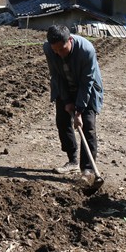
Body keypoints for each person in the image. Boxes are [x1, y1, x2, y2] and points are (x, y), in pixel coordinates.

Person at [43, 25, 104, 180]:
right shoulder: (49, 49)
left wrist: (79, 111)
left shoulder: (86, 50)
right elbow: (56, 75)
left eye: (62, 49)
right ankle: (72, 161)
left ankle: (88, 169)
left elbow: (87, 82)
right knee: (62, 122)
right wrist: (67, 100)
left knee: (88, 126)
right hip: (64, 86)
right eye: (56, 50)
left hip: (87, 88)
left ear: (70, 40)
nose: (59, 53)